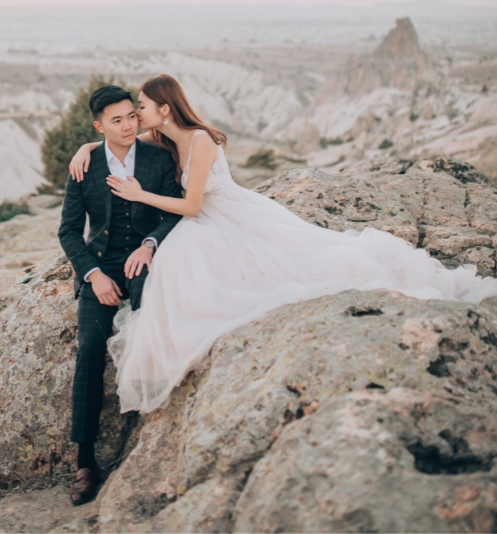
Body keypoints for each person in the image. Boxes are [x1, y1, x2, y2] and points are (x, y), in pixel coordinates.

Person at [68, 74, 497, 419]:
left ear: (164, 108)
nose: (135, 118)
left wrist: (140, 196)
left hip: (224, 215)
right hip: (198, 221)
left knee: (269, 268)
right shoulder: (161, 142)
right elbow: (118, 146)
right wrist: (91, 145)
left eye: (140, 108)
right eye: (128, 114)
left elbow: (194, 205)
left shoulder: (198, 140)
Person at [56, 85, 185, 506]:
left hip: (149, 260)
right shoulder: (85, 163)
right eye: (117, 120)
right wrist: (92, 275)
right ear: (99, 127)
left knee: (153, 330)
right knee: (90, 349)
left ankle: (160, 444)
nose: (129, 124)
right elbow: (69, 230)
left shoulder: (158, 158)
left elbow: (172, 210)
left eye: (132, 115)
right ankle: (86, 461)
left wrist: (149, 244)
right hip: (102, 267)